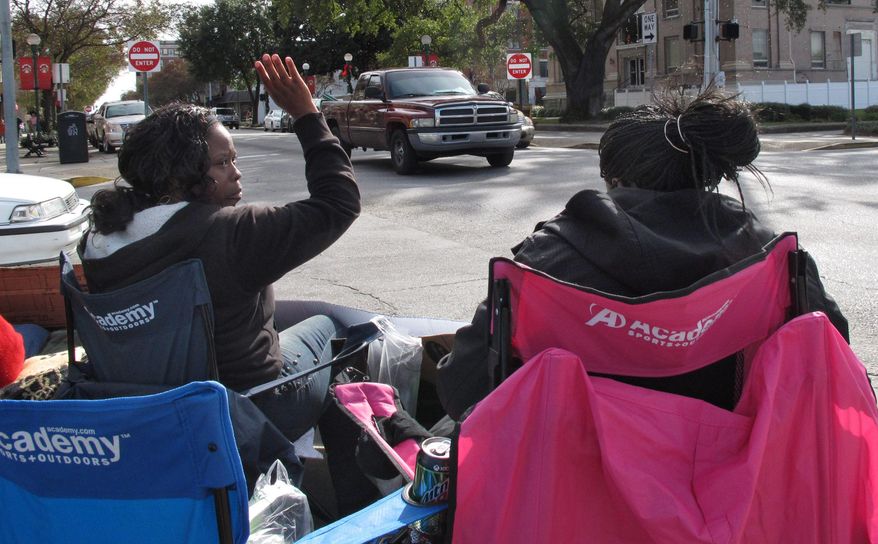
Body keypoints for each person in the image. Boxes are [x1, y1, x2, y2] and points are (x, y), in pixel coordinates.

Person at [436, 88, 850, 421]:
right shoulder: (775, 263)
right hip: (748, 494)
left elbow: (463, 394)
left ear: (614, 180)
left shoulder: (545, 264)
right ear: (709, 177)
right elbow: (837, 375)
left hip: (577, 501)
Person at [79, 53, 361, 444]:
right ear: (182, 173)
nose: (237, 172)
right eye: (223, 162)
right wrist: (306, 114)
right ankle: (355, 494)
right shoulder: (228, 234)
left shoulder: (99, 243)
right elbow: (339, 202)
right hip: (250, 410)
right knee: (335, 328)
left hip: (156, 418)